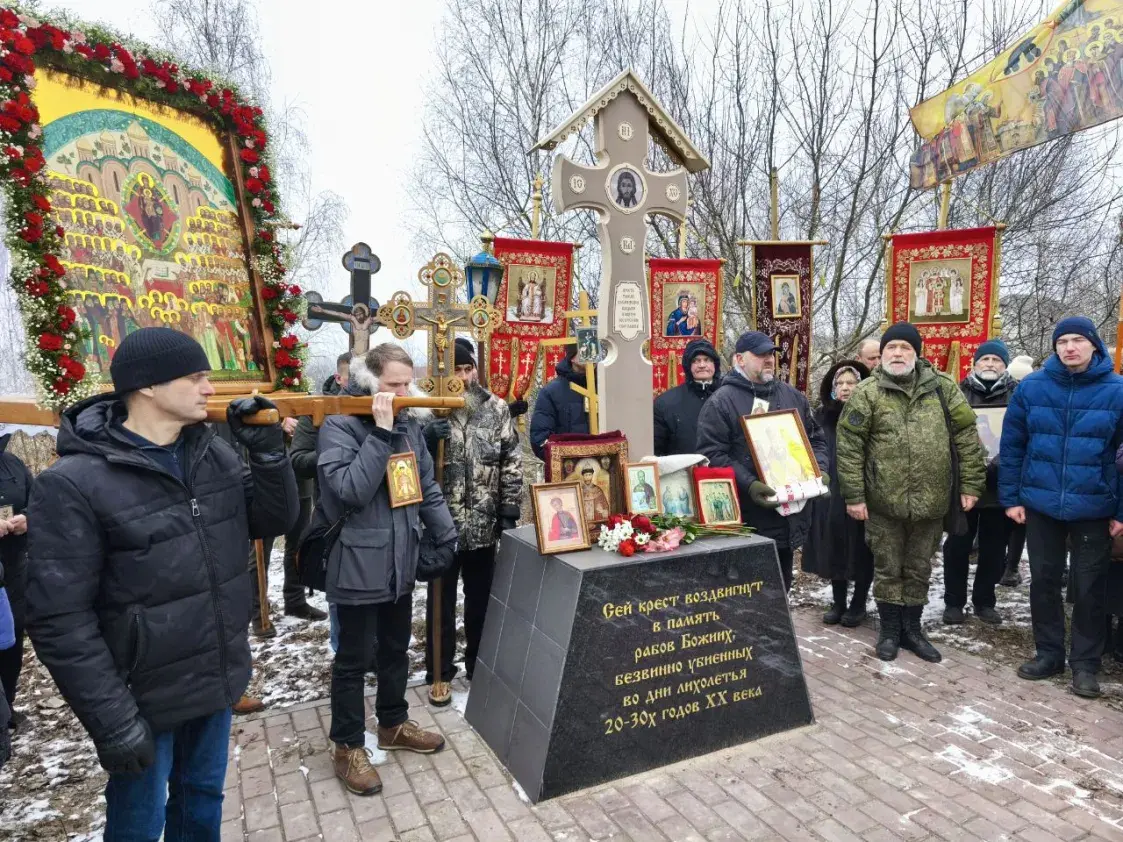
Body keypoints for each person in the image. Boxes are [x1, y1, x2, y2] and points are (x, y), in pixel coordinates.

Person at [24, 327, 298, 839]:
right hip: (140, 698)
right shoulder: (73, 483)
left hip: (213, 678)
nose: (209, 389)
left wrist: (266, 456)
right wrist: (112, 719)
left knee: (201, 806)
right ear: (148, 386)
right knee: (139, 824)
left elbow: (270, 520)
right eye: (195, 377)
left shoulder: (209, 454)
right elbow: (59, 619)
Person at [318, 343, 457, 796]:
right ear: (368, 380)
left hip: (400, 559)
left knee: (396, 649)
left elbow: (425, 486)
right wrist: (379, 434)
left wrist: (446, 534)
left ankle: (393, 724)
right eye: (394, 384)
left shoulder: (409, 426)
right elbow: (350, 491)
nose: (403, 391)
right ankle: (347, 747)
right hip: (357, 562)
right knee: (354, 660)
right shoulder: (339, 425)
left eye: (406, 383)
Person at [836, 323, 985, 664]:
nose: (898, 353)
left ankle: (912, 631)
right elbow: (849, 447)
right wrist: (854, 496)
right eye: (892, 348)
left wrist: (971, 485)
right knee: (888, 568)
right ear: (883, 354)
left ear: (917, 353)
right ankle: (889, 631)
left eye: (905, 347)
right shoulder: (867, 392)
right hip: (882, 503)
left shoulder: (943, 388)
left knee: (918, 568)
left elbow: (966, 435)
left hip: (931, 502)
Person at [1000, 317, 1123, 699]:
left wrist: (1121, 511)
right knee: (1045, 581)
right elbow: (1013, 445)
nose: (1070, 347)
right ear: (1055, 347)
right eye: (1063, 341)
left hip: (1095, 506)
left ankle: (1085, 664)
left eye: (1078, 340)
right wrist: (1011, 497)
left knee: (1089, 589)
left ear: (1094, 346)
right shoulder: (1033, 387)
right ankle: (1048, 653)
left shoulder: (1117, 390)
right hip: (1041, 503)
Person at [420, 338, 521, 705]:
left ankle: (479, 663)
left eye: (467, 369)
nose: (462, 377)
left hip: (482, 522)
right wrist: (425, 440)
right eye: (455, 370)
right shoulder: (425, 408)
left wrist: (508, 510)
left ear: (475, 369)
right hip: (440, 525)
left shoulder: (495, 408)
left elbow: (511, 460)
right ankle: (439, 670)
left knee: (481, 600)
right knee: (440, 600)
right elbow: (407, 461)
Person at [697, 331, 829, 590]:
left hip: (790, 513)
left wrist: (820, 469)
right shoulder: (721, 402)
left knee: (782, 587)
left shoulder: (792, 396)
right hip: (749, 519)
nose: (768, 359)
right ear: (739, 359)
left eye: (771, 354)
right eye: (760, 355)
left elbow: (816, 440)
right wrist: (749, 485)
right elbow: (712, 455)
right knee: (750, 594)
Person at [943, 340, 1016, 627]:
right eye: (984, 359)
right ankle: (953, 602)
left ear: (1005, 365)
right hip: (965, 484)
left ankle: (984, 601)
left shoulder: (1017, 395)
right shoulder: (957, 393)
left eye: (996, 360)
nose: (989, 364)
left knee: (995, 548)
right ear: (974, 364)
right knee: (958, 544)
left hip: (1001, 485)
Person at [802, 361, 874, 627]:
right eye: (840, 383)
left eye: (851, 383)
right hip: (831, 495)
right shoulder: (821, 417)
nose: (845, 388)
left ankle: (858, 604)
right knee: (834, 547)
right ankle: (839, 601)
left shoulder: (872, 414)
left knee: (862, 549)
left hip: (863, 494)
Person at [0, 433, 31, 734]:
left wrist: (28, 519)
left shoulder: (12, 464)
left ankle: (7, 706)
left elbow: (38, 502)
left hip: (13, 569)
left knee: (12, 641)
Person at [653, 338, 722, 456]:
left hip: (724, 471)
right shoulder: (665, 403)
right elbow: (657, 449)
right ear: (688, 366)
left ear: (715, 364)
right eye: (695, 361)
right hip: (684, 471)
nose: (702, 365)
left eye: (707, 360)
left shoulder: (728, 397)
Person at [530, 344, 592, 460]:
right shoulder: (551, 392)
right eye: (585, 350)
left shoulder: (605, 388)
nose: (592, 355)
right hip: (568, 471)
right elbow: (540, 440)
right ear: (572, 358)